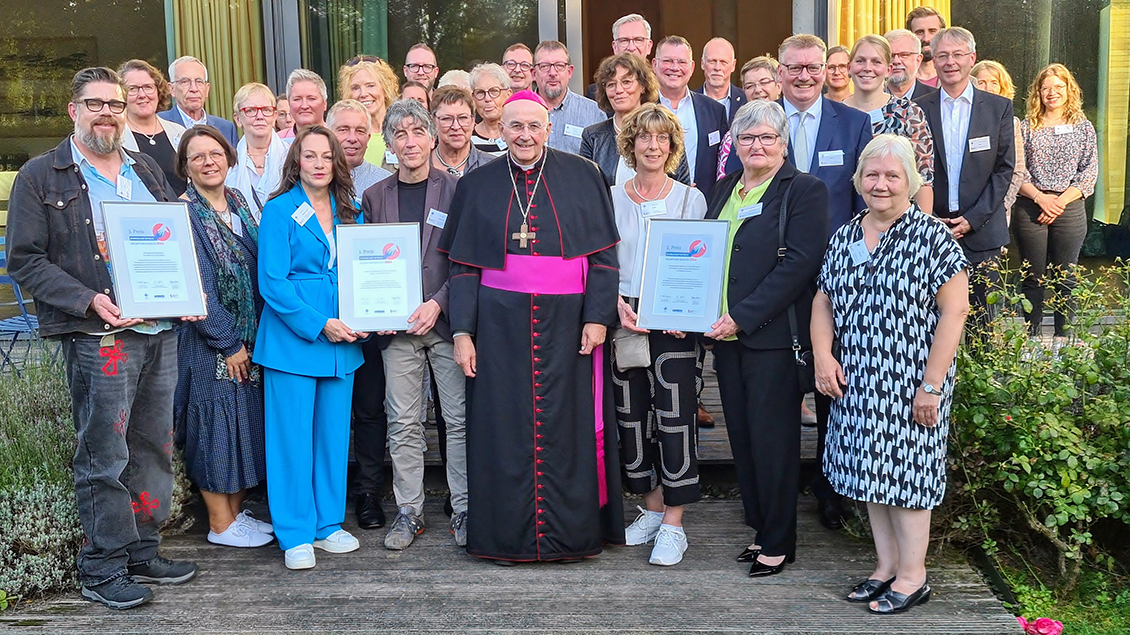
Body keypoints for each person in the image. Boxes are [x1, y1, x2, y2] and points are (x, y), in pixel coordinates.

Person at [7, 67, 200, 609]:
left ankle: (143, 549)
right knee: (104, 452)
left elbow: (169, 238)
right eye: (95, 104)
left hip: (159, 329)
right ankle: (103, 566)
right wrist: (88, 298)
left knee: (153, 446)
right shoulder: (42, 176)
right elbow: (25, 260)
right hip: (99, 336)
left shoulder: (143, 167)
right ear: (74, 111)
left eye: (115, 104)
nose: (107, 113)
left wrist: (184, 293)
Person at [439, 90, 625, 563]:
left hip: (568, 326)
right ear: (501, 130)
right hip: (498, 327)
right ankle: (505, 537)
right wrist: (462, 332)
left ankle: (572, 535)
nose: (525, 135)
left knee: (570, 429)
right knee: (502, 428)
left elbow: (604, 260)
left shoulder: (584, 176)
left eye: (533, 126)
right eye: (515, 126)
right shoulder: (477, 185)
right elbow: (461, 268)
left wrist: (598, 319)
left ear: (548, 129)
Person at [813, 134, 969, 614]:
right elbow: (823, 299)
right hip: (858, 380)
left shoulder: (932, 237)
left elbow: (955, 312)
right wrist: (823, 355)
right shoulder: (845, 234)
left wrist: (932, 386)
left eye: (892, 176)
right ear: (859, 181)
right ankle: (884, 567)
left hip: (911, 384)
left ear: (911, 182)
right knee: (869, 477)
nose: (881, 185)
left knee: (908, 480)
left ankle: (913, 575)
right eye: (872, 175)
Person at [704, 99, 829, 577]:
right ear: (733, 144)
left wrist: (742, 316)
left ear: (783, 143)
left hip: (774, 338)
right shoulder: (722, 190)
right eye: (747, 138)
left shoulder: (805, 191)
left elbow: (799, 265)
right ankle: (760, 529)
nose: (755, 146)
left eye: (766, 138)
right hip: (726, 338)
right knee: (743, 437)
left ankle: (778, 542)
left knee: (774, 440)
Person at [255, 125, 367, 570]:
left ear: (336, 162)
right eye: (309, 156)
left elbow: (364, 271)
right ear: (296, 162)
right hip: (295, 340)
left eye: (326, 156)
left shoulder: (350, 211)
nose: (318, 164)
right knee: (292, 439)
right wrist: (320, 324)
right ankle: (295, 532)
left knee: (332, 438)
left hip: (344, 340)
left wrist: (367, 315)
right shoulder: (279, 210)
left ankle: (326, 524)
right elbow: (273, 284)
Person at [359, 99, 467, 550]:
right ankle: (410, 512)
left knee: (458, 421)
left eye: (417, 132)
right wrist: (375, 311)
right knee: (402, 423)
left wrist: (438, 304)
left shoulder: (459, 189)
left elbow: (466, 260)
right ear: (388, 141)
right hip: (397, 332)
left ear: (432, 137)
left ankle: (465, 509)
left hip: (445, 325)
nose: (409, 142)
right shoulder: (374, 195)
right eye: (399, 134)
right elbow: (366, 263)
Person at [777, 34, 872, 531]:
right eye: (793, 67)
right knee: (779, 383)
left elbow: (863, 205)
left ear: (826, 70)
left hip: (837, 278)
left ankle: (830, 488)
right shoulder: (760, 123)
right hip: (777, 277)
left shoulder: (855, 123)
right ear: (779, 71)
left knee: (832, 384)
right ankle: (779, 485)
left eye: (812, 67)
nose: (804, 75)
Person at [610, 103, 707, 566]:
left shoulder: (691, 198)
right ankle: (649, 508)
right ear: (631, 144)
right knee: (631, 417)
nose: (652, 146)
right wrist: (615, 304)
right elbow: (601, 260)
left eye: (662, 139)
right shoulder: (611, 196)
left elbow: (698, 263)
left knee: (675, 417)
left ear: (672, 147)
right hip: (626, 316)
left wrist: (681, 309)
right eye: (644, 138)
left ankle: (674, 523)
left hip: (675, 322)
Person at [173, 125, 273, 549]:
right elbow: (195, 287)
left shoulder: (237, 202)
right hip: (210, 343)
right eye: (197, 157)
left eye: (215, 153)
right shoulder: (183, 214)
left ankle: (234, 514)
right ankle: (218, 523)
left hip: (247, 339)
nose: (208, 162)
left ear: (229, 158)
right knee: (214, 428)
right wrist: (228, 342)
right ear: (185, 167)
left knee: (241, 428)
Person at [915, 27, 1014, 329]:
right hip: (932, 231)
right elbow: (913, 170)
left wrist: (973, 218)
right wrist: (929, 218)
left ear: (972, 58)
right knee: (931, 321)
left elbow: (1004, 169)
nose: (950, 62)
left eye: (958, 55)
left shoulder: (998, 108)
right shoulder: (919, 108)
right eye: (942, 55)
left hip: (981, 234)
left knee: (981, 322)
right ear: (934, 59)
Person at [1014, 64, 1098, 338]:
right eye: (1046, 88)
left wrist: (1059, 202)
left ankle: (1065, 340)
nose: (1052, 93)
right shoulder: (1026, 127)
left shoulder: (1084, 128)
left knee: (1066, 278)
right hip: (1031, 206)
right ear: (1038, 92)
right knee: (1033, 277)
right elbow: (1018, 170)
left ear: (1069, 90)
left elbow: (1089, 172)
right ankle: (1032, 338)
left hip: (1069, 207)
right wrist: (1041, 198)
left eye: (1058, 87)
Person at [842, 35, 934, 213]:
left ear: (889, 69)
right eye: (860, 61)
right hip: (843, 222)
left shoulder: (909, 114)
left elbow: (924, 180)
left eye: (876, 62)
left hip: (897, 222)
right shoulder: (835, 115)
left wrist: (921, 232)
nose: (867, 68)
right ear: (849, 67)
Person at [580, 53, 690, 187]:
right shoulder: (593, 137)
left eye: (626, 82)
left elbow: (682, 188)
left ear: (643, 86)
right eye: (611, 84)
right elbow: (585, 189)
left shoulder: (667, 130)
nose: (618, 90)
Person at [653, 35, 729, 203]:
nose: (674, 68)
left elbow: (723, 165)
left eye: (681, 62)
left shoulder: (715, 111)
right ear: (654, 64)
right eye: (668, 61)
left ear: (692, 67)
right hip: (654, 203)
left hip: (702, 204)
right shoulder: (641, 109)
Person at [118, 59, 187, 195]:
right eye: (133, 89)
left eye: (148, 87)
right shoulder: (116, 138)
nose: (142, 95)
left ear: (158, 91)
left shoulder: (180, 132)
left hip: (185, 213)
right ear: (121, 95)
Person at [972, 60, 1025, 217]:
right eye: (982, 82)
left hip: (997, 211)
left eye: (994, 82)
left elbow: (1017, 170)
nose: (989, 88)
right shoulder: (961, 121)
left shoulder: (1012, 123)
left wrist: (1001, 206)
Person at [226, 82, 287, 220]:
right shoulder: (227, 164)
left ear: (274, 116)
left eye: (266, 109)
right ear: (238, 119)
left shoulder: (292, 157)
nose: (260, 116)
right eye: (251, 110)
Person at [533, 41, 606, 155]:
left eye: (560, 66)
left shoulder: (594, 113)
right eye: (544, 66)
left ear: (570, 71)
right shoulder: (518, 112)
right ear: (533, 73)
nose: (552, 73)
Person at [717, 55, 781, 179]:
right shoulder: (731, 136)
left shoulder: (791, 127)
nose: (757, 90)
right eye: (750, 86)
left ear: (779, 86)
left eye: (764, 82)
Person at [159, 56, 237, 145]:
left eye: (199, 81)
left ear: (207, 89)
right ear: (172, 89)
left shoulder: (226, 128)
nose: (194, 88)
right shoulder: (159, 123)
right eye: (185, 82)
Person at [339, 59, 400, 168]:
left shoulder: (402, 132)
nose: (363, 94)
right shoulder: (343, 138)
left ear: (385, 89)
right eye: (355, 88)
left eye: (370, 85)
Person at [327, 99, 393, 200]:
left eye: (360, 131)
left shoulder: (386, 184)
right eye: (343, 130)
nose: (352, 138)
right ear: (327, 135)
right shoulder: (314, 180)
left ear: (368, 138)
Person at [586, 13, 655, 102]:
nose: (631, 47)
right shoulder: (594, 93)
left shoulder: (662, 90)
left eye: (638, 40)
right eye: (624, 41)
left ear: (649, 46)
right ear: (615, 47)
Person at [430, 86, 495, 176]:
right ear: (434, 122)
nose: (456, 126)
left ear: (473, 121)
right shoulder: (422, 165)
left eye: (463, 118)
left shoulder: (492, 167)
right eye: (447, 119)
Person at [695, 37, 746, 121]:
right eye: (712, 61)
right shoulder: (689, 101)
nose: (717, 68)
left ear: (733, 65)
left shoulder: (745, 99)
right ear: (702, 63)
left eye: (723, 62)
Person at [469, 63, 512, 155]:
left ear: (508, 94)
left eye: (494, 91)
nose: (487, 99)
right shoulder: (467, 137)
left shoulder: (519, 134)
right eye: (480, 92)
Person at [885, 29, 937, 101]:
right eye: (891, 56)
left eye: (904, 55)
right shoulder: (868, 99)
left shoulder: (936, 99)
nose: (896, 61)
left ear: (918, 60)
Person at [279, 69, 329, 140]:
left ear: (324, 104)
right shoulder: (277, 142)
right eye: (297, 99)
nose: (304, 106)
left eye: (311, 99)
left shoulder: (338, 139)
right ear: (289, 104)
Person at [906, 6, 946, 89]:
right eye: (920, 32)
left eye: (932, 31)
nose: (926, 38)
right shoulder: (897, 80)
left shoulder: (963, 80)